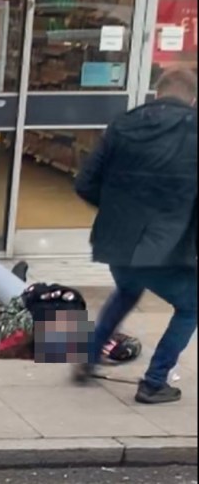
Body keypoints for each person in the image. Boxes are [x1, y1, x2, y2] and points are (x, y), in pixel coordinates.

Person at [72, 67, 198, 404]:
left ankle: (88, 359)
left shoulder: (122, 124)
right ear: (193, 99)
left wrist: (116, 211)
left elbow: (84, 183)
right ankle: (155, 381)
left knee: (127, 289)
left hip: (116, 242)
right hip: (166, 246)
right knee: (190, 307)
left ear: (156, 93)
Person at [0, 257, 141, 363]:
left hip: (31, 310)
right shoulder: (77, 338)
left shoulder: (71, 337)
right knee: (31, 290)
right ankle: (17, 283)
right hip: (37, 313)